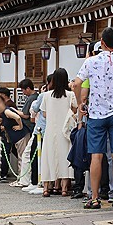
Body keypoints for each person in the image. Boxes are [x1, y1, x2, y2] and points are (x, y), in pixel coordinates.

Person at [75, 27, 113, 209]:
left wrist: (80, 103)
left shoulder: (91, 61)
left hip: (96, 113)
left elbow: (77, 82)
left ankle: (95, 197)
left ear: (102, 42)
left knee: (96, 156)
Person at [40, 68, 77, 197]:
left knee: (48, 156)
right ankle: (64, 188)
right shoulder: (70, 95)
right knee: (64, 157)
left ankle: (45, 188)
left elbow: (44, 114)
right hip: (65, 131)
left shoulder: (46, 95)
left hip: (50, 130)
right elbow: (74, 111)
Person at [21, 74, 54, 194]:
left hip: (40, 130)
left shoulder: (43, 95)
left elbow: (34, 109)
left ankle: (36, 181)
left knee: (34, 156)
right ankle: (50, 184)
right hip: (53, 130)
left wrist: (41, 93)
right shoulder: (66, 95)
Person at [0, 92, 31, 180]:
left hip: (21, 135)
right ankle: (21, 178)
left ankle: (23, 179)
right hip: (17, 137)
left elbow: (17, 117)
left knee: (22, 157)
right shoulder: (5, 111)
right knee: (21, 157)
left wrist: (20, 126)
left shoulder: (7, 111)